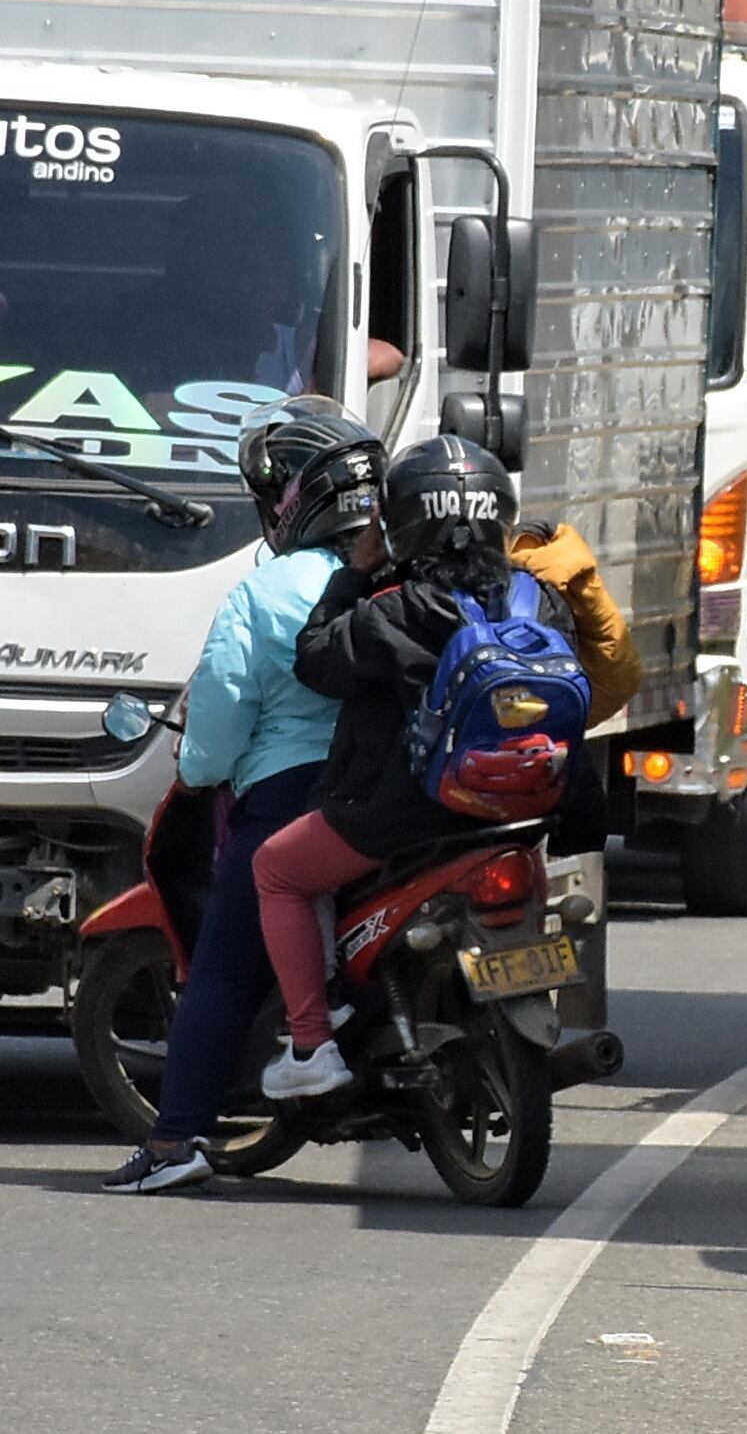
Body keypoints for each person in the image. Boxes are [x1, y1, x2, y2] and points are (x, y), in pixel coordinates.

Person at [249, 436, 594, 1100]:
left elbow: (317, 660)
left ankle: (311, 1044)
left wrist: (356, 570)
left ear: (402, 523)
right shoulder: (538, 601)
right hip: (528, 807)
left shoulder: (397, 607)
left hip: (403, 815)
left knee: (277, 871)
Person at [102, 401, 381, 1196]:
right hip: (404, 796)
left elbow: (217, 728)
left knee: (221, 969)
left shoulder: (264, 596)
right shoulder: (403, 573)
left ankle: (176, 1138)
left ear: (291, 500)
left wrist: (194, 771)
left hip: (290, 796)